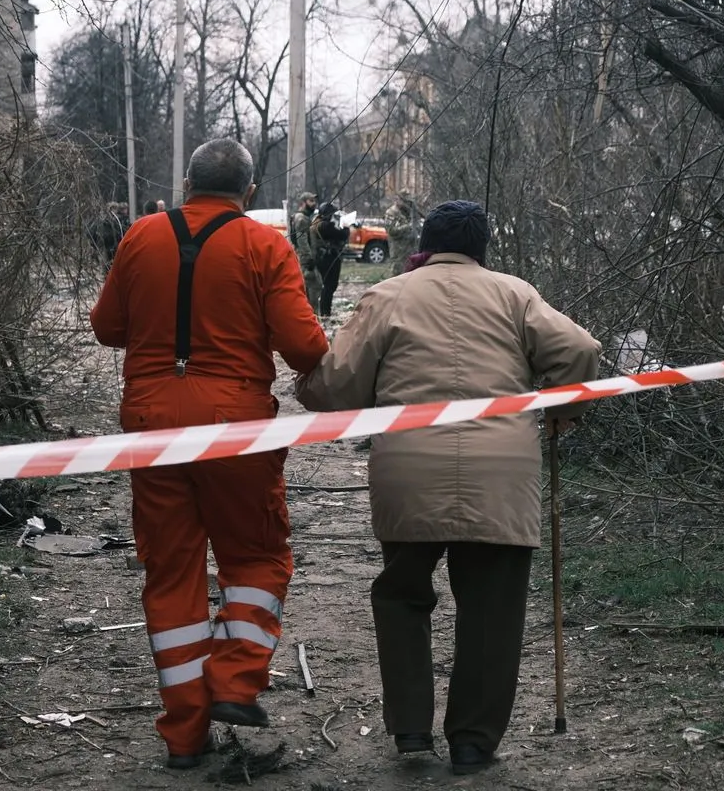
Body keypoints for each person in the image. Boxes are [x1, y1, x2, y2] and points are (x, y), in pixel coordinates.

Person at [294, 200, 601, 776]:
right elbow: (580, 350)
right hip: (502, 474)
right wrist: (563, 410)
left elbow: (336, 388)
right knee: (492, 610)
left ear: (426, 245)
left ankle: (411, 728)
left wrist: (306, 384)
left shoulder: (389, 295)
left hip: (408, 469)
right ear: (482, 247)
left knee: (402, 595)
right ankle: (473, 742)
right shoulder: (516, 294)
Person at [91, 138, 328, 770]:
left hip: (150, 424)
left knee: (171, 574)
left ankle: (183, 736)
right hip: (235, 428)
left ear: (187, 184)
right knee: (256, 555)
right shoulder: (265, 245)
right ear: (248, 194)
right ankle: (233, 682)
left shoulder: (140, 237)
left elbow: (106, 326)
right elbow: (305, 347)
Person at [311, 202, 350, 316]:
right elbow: (343, 234)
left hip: (323, 257)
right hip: (329, 258)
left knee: (326, 286)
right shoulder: (325, 226)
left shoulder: (317, 223)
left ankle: (323, 311)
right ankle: (325, 312)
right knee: (329, 285)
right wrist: (346, 226)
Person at [289, 191, 322, 309]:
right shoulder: (302, 219)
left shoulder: (303, 217)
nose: (314, 204)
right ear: (303, 203)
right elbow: (301, 240)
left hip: (304, 261)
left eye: (315, 201)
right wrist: (309, 259)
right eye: (311, 201)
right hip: (306, 262)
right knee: (313, 289)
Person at [385, 193, 417, 276]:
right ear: (397, 200)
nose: (406, 204)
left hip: (408, 249)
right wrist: (407, 227)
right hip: (398, 250)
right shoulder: (391, 212)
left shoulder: (406, 212)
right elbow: (391, 231)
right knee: (396, 274)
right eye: (404, 201)